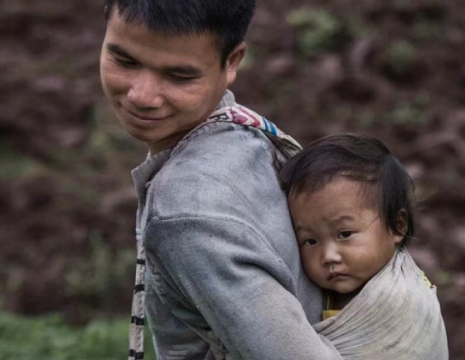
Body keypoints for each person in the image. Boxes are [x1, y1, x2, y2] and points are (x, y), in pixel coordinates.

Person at [100, 1, 344, 359]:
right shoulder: (246, 132)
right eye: (124, 61)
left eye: (179, 76)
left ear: (232, 62)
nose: (142, 96)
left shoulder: (187, 214)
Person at [280, 134, 450, 360]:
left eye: (345, 234)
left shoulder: (400, 301)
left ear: (397, 227)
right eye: (310, 241)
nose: (328, 256)